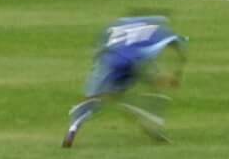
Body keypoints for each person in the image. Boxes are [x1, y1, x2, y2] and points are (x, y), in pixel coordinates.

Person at [63, 15, 186, 147]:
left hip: (110, 62)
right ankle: (150, 123)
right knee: (143, 90)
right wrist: (176, 74)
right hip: (133, 63)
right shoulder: (158, 30)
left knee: (95, 98)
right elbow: (177, 46)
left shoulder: (118, 25)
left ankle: (73, 128)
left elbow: (100, 47)